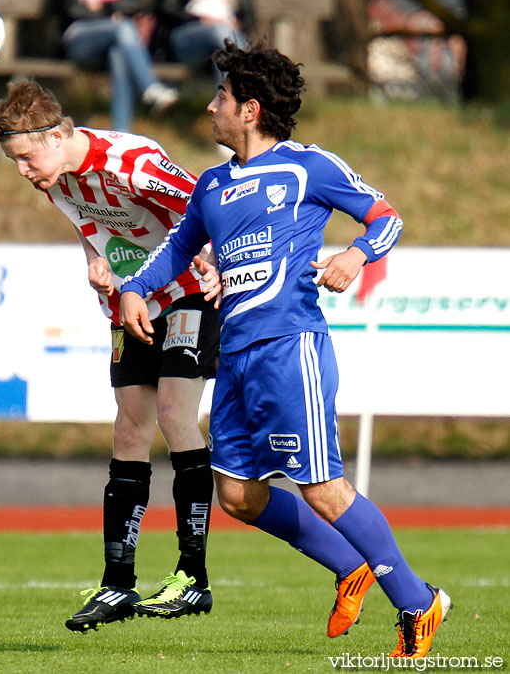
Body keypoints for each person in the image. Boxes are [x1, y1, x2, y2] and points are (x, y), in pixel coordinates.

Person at [119, 40, 451, 658]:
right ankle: (350, 567)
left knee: (323, 489)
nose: (211, 107)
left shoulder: (307, 167)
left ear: (249, 109)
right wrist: (136, 288)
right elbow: (178, 248)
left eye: (220, 97)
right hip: (237, 355)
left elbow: (387, 218)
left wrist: (356, 253)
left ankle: (418, 601)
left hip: (289, 345)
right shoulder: (212, 183)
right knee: (239, 496)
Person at [0, 78, 221, 632]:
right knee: (128, 431)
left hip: (189, 286)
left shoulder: (132, 161)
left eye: (24, 158)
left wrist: (218, 256)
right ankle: (118, 584)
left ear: (51, 137)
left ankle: (193, 578)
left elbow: (204, 204)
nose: (22, 171)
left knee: (173, 415)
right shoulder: (55, 177)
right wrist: (93, 257)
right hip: (129, 297)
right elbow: (88, 223)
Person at [43, 0, 179, 132]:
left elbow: (137, 4)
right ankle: (150, 86)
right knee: (123, 27)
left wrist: (103, 6)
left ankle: (121, 132)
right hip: (79, 36)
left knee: (119, 54)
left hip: (116, 39)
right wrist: (109, 13)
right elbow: (66, 8)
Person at [150, 0, 254, 83]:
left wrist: (238, 23)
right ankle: (240, 94)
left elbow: (248, 16)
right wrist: (200, 19)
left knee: (225, 46)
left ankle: (227, 97)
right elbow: (167, 7)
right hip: (187, 34)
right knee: (222, 34)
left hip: (225, 36)